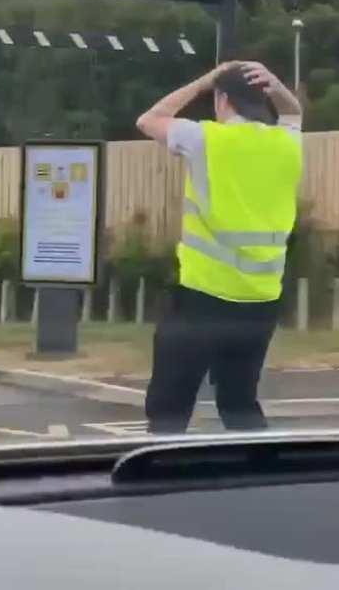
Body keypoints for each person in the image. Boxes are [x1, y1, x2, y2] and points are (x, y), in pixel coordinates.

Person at [136, 61, 302, 433]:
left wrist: (204, 81)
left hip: (203, 298)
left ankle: (158, 481)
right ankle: (258, 480)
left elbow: (149, 119)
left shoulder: (205, 139)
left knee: (170, 406)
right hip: (260, 301)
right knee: (239, 402)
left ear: (222, 99)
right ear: (261, 100)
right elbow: (293, 111)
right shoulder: (286, 142)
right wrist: (274, 83)